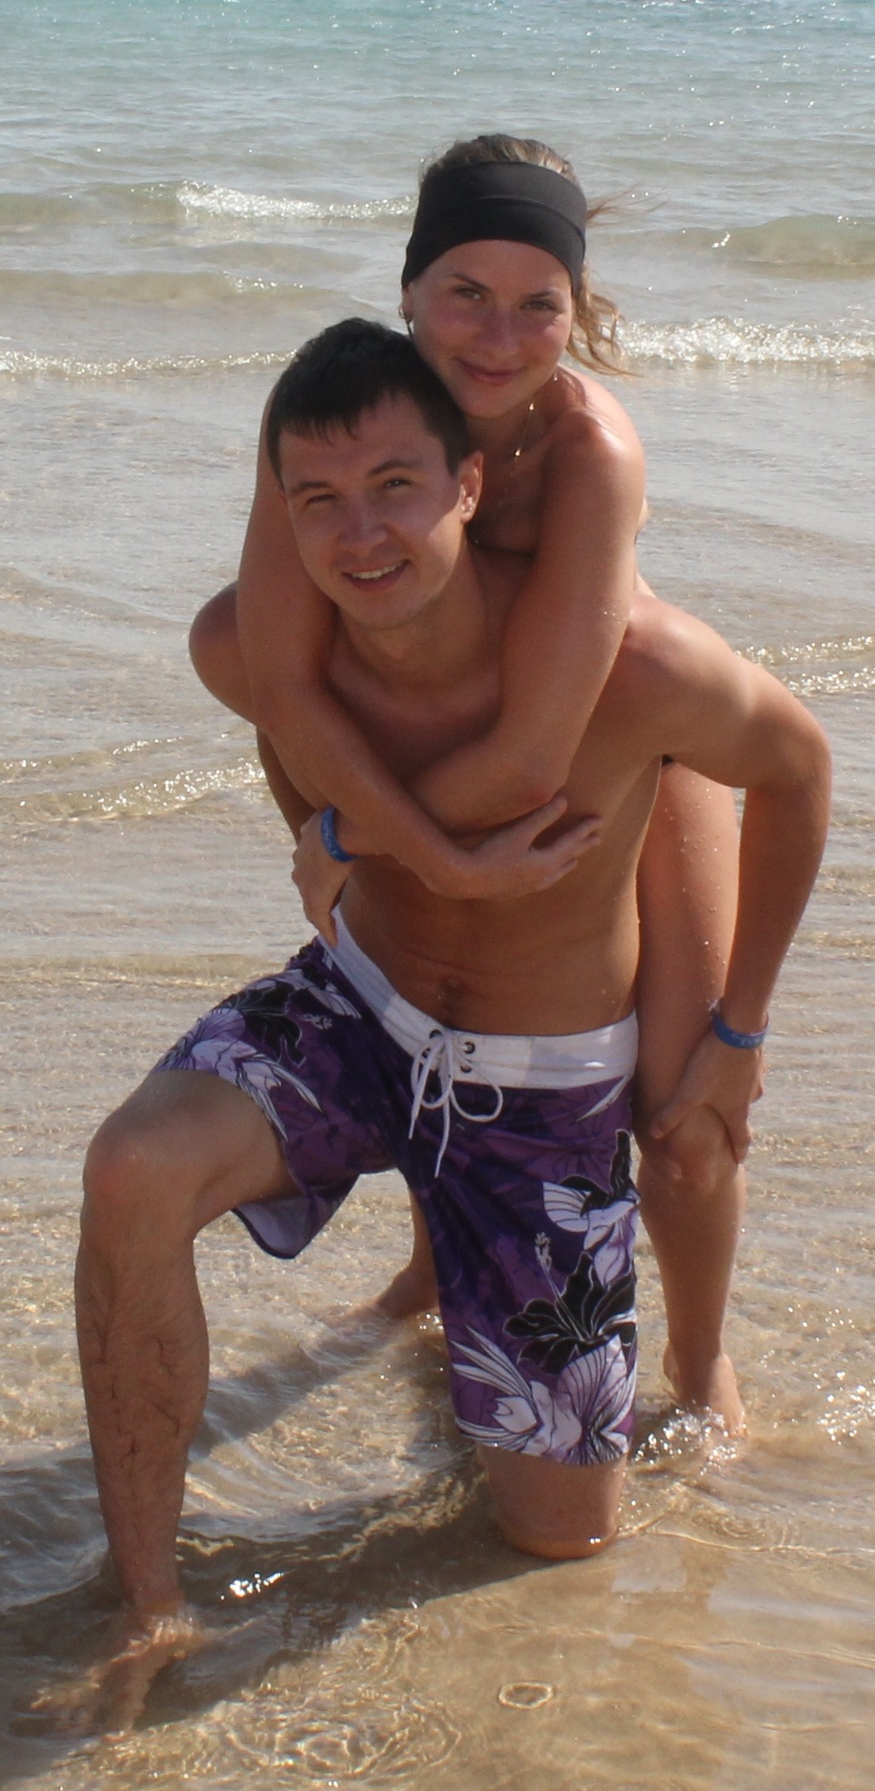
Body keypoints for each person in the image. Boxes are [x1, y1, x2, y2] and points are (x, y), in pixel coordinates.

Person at [71, 319, 830, 1728]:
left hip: (538, 1091)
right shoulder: (261, 649)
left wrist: (735, 1033)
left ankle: (678, 1354)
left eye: (395, 488)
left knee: (563, 1540)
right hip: (358, 1013)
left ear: (468, 485)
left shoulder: (632, 670)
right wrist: (324, 831)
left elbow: (798, 766)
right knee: (131, 1168)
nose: (361, 535)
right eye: (319, 501)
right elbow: (286, 745)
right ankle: (146, 1606)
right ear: (279, 516)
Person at [190, 136, 748, 1414]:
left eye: (536, 303)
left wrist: (366, 841)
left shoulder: (589, 449)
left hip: (614, 739)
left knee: (679, 1108)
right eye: (463, 294)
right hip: (428, 755)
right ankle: (434, 1264)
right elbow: (276, 673)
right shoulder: (347, 415)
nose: (497, 337)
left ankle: (700, 1354)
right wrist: (358, 836)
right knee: (435, 1000)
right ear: (407, 289)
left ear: (575, 308)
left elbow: (536, 753)